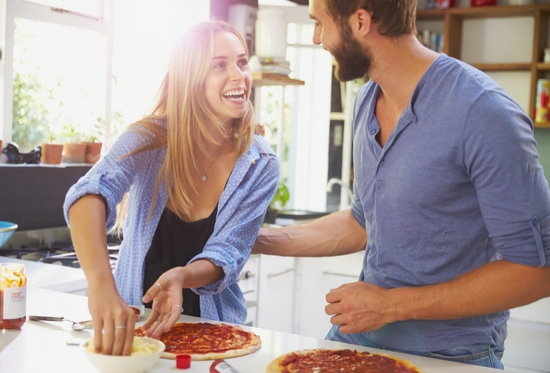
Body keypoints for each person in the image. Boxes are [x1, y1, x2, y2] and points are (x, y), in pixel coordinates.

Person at [253, 0, 550, 369]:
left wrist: (390, 305)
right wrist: (255, 241)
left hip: (451, 353)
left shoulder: (483, 112)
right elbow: (362, 222)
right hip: (359, 339)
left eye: (319, 23)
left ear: (360, 21)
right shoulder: (366, 100)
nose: (317, 39)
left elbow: (537, 273)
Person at [64, 20, 279, 356]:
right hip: (135, 331)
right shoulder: (147, 140)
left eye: (241, 61)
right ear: (190, 79)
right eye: (219, 65)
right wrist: (101, 287)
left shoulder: (260, 164)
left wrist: (180, 276)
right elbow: (89, 193)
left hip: (216, 337)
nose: (239, 75)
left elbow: (226, 254)